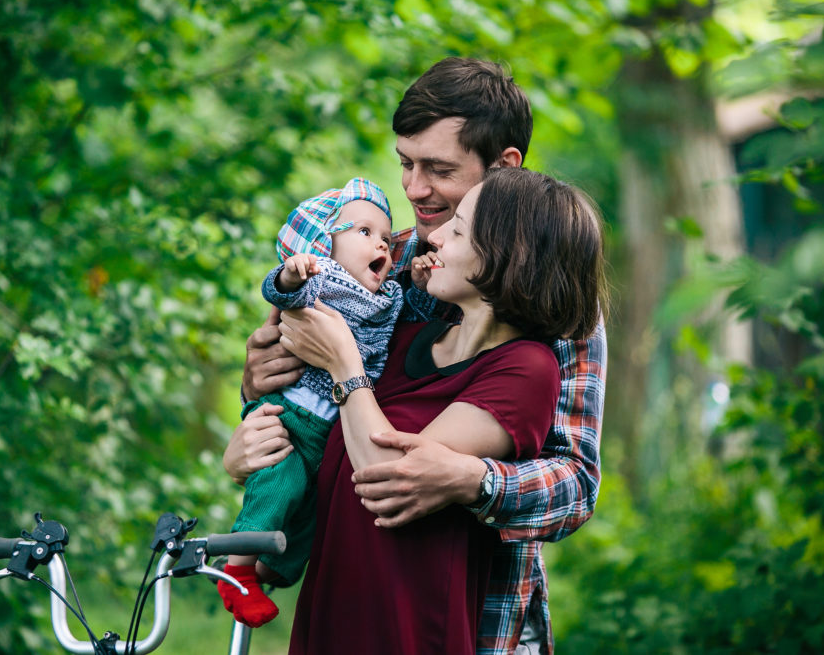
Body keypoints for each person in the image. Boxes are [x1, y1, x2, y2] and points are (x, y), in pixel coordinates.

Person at [226, 57, 608, 653]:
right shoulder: (373, 266)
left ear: (504, 167)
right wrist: (255, 401)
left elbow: (576, 486)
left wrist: (470, 478)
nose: (413, 188)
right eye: (406, 163)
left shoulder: (558, 311)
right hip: (345, 593)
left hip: (472, 613)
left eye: (438, 169)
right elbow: (306, 410)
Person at [218, 178, 404, 628]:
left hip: (329, 433)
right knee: (280, 483)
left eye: (384, 237)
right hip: (290, 415)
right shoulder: (320, 278)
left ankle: (268, 574)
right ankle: (237, 569)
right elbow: (280, 295)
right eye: (362, 232)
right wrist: (292, 272)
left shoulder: (388, 295)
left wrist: (412, 275)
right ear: (322, 244)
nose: (380, 242)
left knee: (309, 519)